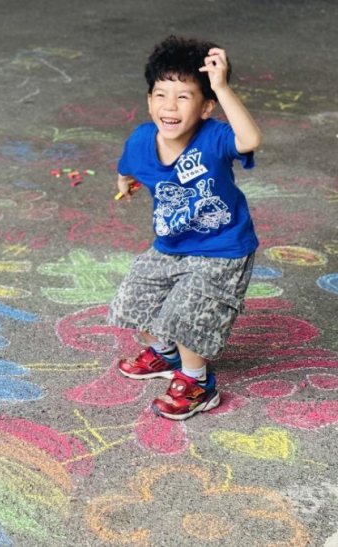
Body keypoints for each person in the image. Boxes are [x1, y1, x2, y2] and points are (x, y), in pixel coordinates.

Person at [108, 36, 262, 420]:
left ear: (206, 106)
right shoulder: (142, 139)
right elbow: (128, 165)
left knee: (186, 313)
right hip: (171, 245)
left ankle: (197, 382)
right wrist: (125, 181)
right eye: (161, 95)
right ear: (148, 102)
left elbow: (250, 139)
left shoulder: (214, 138)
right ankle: (164, 355)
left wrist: (222, 85)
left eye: (183, 97)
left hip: (223, 248)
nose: (169, 106)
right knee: (132, 302)